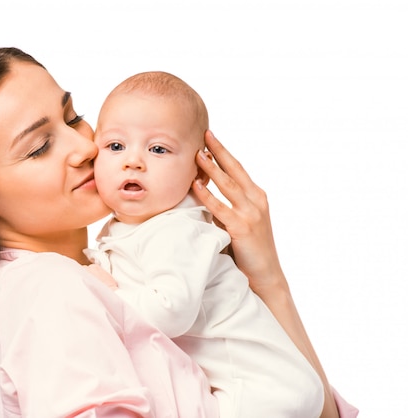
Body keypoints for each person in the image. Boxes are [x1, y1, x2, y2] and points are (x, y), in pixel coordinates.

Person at [0, 47, 358, 418]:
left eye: (73, 116)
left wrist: (265, 278)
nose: (84, 147)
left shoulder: (110, 274)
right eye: (38, 147)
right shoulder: (52, 290)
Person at [85, 71, 322, 417]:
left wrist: (104, 292)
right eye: (115, 146)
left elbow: (170, 311)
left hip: (261, 389)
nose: (132, 160)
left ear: (198, 173)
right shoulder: (133, 225)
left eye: (158, 149)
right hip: (262, 384)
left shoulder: (176, 230)